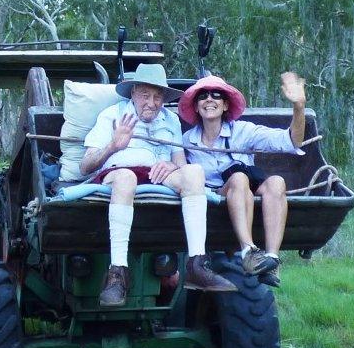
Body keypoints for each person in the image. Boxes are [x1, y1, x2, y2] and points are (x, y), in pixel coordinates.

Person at [81, 64, 238, 307]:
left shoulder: (170, 120)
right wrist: (113, 145)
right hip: (119, 173)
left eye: (158, 97)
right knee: (126, 178)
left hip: (157, 174)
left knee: (194, 172)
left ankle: (197, 264)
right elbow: (85, 166)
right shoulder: (112, 115)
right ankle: (117, 273)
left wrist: (172, 166)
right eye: (145, 95)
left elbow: (179, 161)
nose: (152, 103)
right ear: (133, 93)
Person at [178, 72, 307, 287]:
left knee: (276, 182)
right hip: (215, 197)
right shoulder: (186, 141)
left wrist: (299, 106)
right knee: (238, 178)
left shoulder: (244, 131)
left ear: (226, 105)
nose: (209, 99)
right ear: (196, 106)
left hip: (245, 193)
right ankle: (248, 252)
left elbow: (291, 141)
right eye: (203, 96)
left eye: (216, 94)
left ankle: (272, 259)